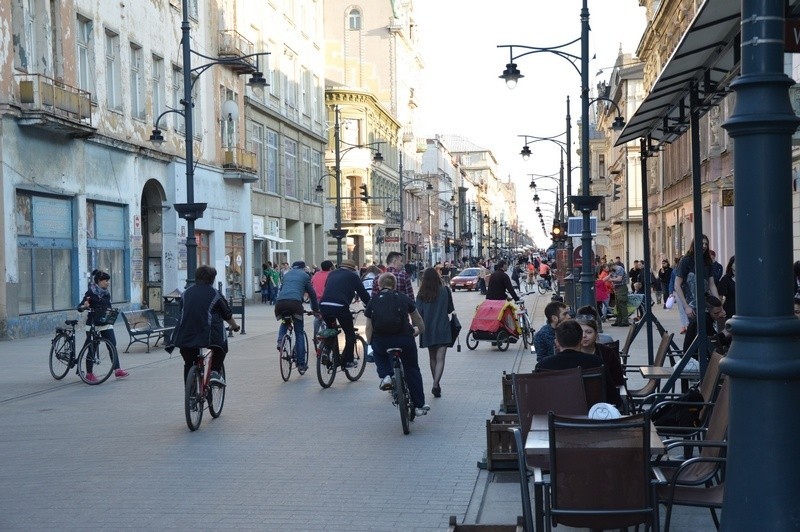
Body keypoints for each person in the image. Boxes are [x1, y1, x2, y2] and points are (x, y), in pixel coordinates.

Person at [365, 272, 429, 416]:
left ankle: (386, 376)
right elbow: (417, 317)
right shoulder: (403, 298)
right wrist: (420, 330)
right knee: (412, 369)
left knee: (378, 353)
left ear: (379, 285)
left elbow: (369, 326)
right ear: (394, 285)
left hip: (382, 340)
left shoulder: (374, 300)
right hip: (404, 339)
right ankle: (419, 405)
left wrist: (371, 343)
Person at [168, 265, 240, 387]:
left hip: (185, 334)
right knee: (220, 347)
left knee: (189, 363)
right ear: (212, 279)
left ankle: (190, 395)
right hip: (209, 335)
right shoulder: (215, 294)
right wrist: (235, 326)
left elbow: (182, 311)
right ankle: (214, 372)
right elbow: (226, 314)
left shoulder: (186, 293)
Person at [319, 259, 371, 369]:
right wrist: (371, 307)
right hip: (340, 307)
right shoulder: (353, 276)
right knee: (350, 333)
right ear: (353, 269)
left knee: (330, 329)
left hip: (324, 305)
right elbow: (363, 294)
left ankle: (327, 350)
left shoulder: (332, 273)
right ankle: (348, 361)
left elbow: (327, 288)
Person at [78, 269, 128, 382]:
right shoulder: (90, 293)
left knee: (112, 345)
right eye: (106, 280)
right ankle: (89, 373)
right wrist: (85, 306)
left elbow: (108, 306)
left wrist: (111, 312)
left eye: (108, 281)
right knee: (92, 347)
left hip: (105, 323)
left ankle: (117, 370)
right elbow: (79, 307)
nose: (108, 283)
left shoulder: (106, 293)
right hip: (93, 324)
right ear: (99, 281)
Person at [416, 267, 455, 398]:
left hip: (427, 329)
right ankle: (435, 384)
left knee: (432, 358)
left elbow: (418, 313)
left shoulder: (421, 294)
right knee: (440, 359)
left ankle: (436, 384)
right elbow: (450, 309)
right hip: (443, 328)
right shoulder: (445, 290)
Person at [275, 261, 319, 373]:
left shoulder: (286, 274)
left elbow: (282, 290)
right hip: (295, 304)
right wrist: (315, 310)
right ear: (303, 268)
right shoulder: (305, 275)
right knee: (299, 333)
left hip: (280, 303)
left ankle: (280, 341)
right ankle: (301, 364)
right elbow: (312, 294)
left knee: (284, 322)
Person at [575, 315, 624, 407]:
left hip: (604, 401)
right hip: (578, 401)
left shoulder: (607, 352)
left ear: (596, 334)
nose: (584, 336)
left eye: (589, 332)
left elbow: (618, 379)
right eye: (580, 332)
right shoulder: (572, 354)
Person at [674, 235, 720, 323]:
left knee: (708, 328)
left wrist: (719, 304)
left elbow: (711, 284)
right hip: (691, 303)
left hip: (706, 302)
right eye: (701, 243)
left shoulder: (708, 261)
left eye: (706, 244)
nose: (704, 246)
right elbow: (677, 285)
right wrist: (686, 306)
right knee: (694, 328)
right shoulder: (686, 260)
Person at [535, 319, 603, 372]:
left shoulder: (544, 365)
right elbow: (609, 388)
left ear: (557, 343)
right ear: (580, 340)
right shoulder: (596, 362)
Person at [310, 260, 334, 339]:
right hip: (326, 300)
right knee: (329, 319)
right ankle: (327, 338)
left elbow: (312, 284)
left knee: (318, 317)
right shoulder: (331, 275)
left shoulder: (316, 274)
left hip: (314, 300)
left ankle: (315, 335)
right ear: (330, 268)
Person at [608, 260, 630, 327]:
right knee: (618, 305)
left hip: (622, 288)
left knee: (622, 305)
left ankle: (625, 321)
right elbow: (610, 276)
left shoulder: (619, 269)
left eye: (610, 269)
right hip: (617, 288)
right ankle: (618, 321)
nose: (610, 271)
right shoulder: (613, 270)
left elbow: (619, 279)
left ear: (612, 266)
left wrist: (611, 280)